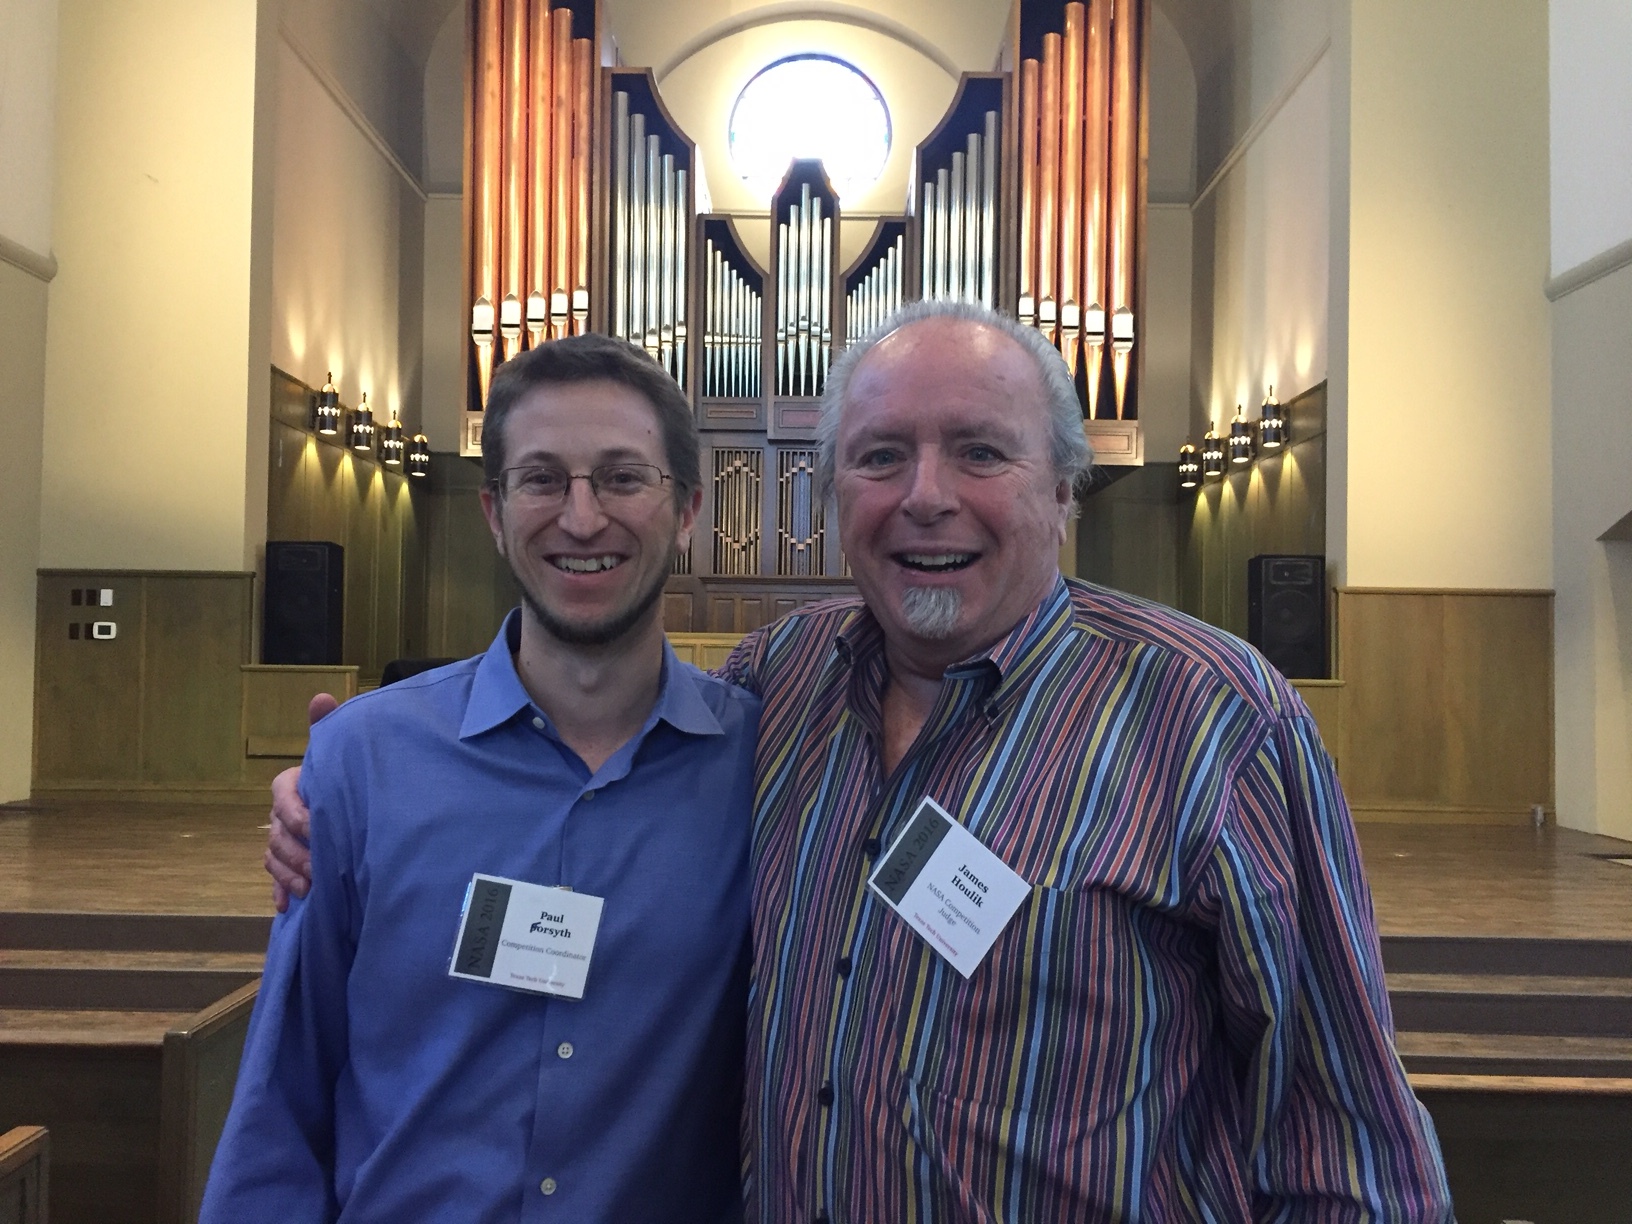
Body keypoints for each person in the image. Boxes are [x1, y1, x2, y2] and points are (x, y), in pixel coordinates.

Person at [268, 301, 1453, 1222]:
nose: (926, 498)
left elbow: (1347, 1140)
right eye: (882, 456)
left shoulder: (1213, 719)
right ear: (833, 492)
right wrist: (366, 787)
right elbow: (588, 779)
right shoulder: (773, 689)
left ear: (1064, 487)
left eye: (978, 452)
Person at [211, 333, 758, 1222]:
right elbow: (282, 1101)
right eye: (542, 479)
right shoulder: (362, 764)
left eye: (622, 478)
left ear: (688, 509)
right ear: (495, 514)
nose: (582, 518)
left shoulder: (766, 769)